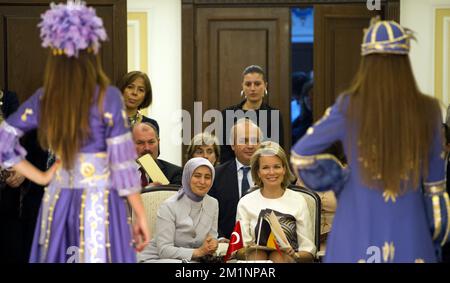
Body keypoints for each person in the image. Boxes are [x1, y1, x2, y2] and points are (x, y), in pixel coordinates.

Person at [0, 1, 150, 263]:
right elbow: (123, 164)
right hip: (102, 201)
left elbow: (5, 139)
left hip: (59, 197)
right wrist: (139, 213)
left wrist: (42, 177)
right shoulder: (109, 98)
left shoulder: (45, 98)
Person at [291, 19, 447, 262]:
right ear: (405, 58)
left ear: (366, 60)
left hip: (356, 222)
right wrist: (434, 241)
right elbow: (436, 194)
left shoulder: (349, 105)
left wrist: (340, 179)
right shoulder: (428, 109)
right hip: (410, 228)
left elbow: (301, 154)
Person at [236, 142, 315, 263]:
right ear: (258, 172)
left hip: (288, 260)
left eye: (277, 167)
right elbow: (239, 251)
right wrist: (249, 249)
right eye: (266, 167)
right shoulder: (245, 202)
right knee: (258, 255)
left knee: (278, 256)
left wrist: (295, 255)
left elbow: (309, 253)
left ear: (284, 169)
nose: (272, 172)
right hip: (255, 261)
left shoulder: (299, 200)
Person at [138, 157, 219, 263]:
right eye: (197, 176)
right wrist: (198, 252)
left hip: (191, 260)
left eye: (207, 177)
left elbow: (212, 237)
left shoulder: (213, 203)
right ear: (187, 177)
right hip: (158, 259)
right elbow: (164, 250)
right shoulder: (169, 206)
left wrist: (212, 244)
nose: (202, 181)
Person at [209, 118, 262, 239]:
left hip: (263, 244)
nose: (250, 146)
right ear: (232, 144)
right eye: (244, 140)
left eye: (255, 140)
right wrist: (220, 238)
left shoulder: (270, 174)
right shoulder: (216, 176)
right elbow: (208, 214)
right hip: (226, 243)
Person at [220, 65, 284, 163]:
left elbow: (277, 151)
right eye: (248, 84)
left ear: (265, 86)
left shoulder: (274, 115)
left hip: (264, 170)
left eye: (257, 84)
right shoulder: (228, 114)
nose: (253, 88)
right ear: (243, 86)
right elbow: (225, 153)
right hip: (235, 171)